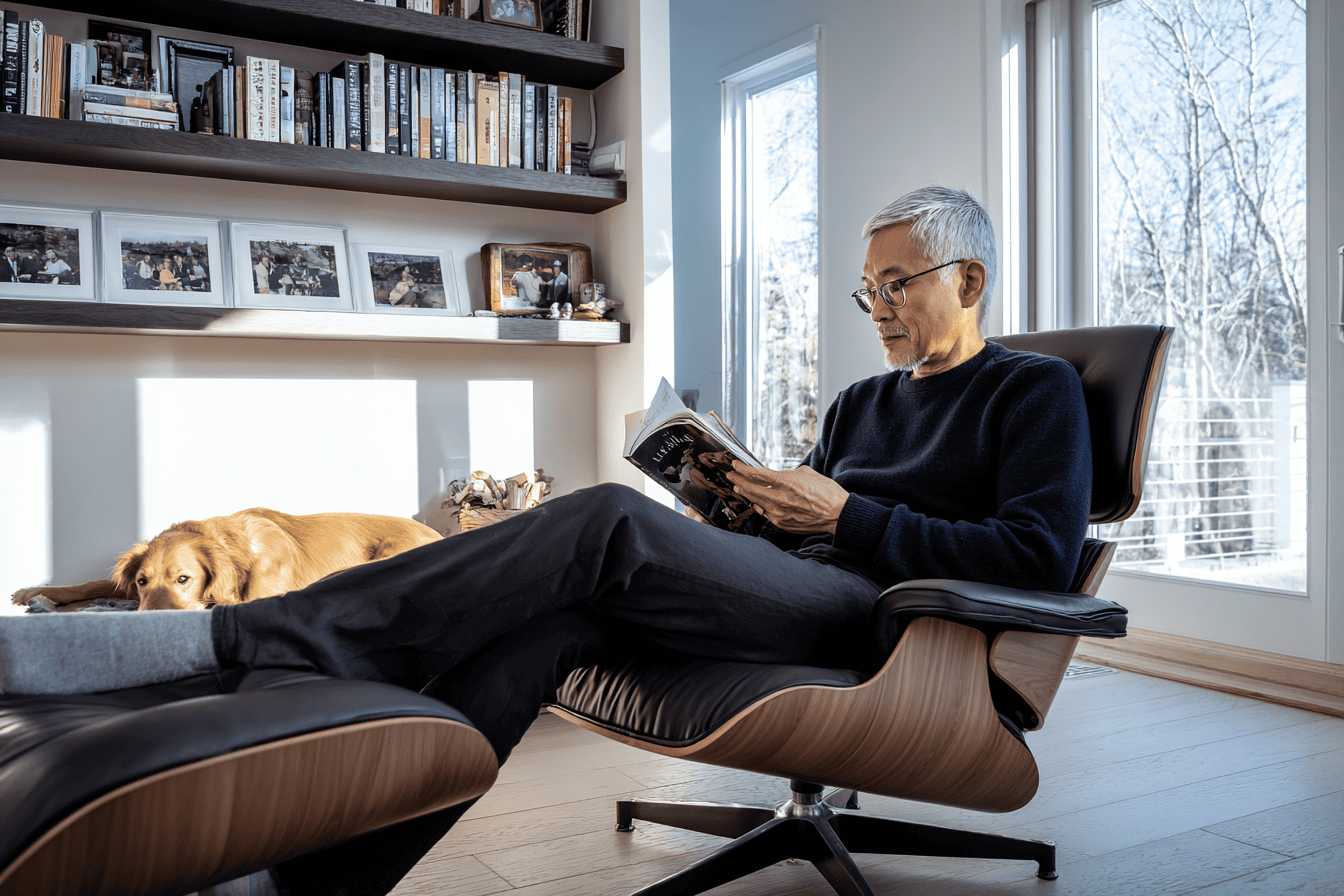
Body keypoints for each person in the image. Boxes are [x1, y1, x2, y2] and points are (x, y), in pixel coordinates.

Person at [1, 187, 1091, 896]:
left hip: (887, 629)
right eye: (869, 287)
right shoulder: (861, 399)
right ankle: (298, 882)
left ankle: (228, 643)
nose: (878, 305)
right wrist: (734, 503)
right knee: (552, 626)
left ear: (970, 280)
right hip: (794, 582)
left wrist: (843, 517)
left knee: (601, 517)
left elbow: (1033, 557)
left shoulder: (1031, 391)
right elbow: (804, 520)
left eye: (896, 283)